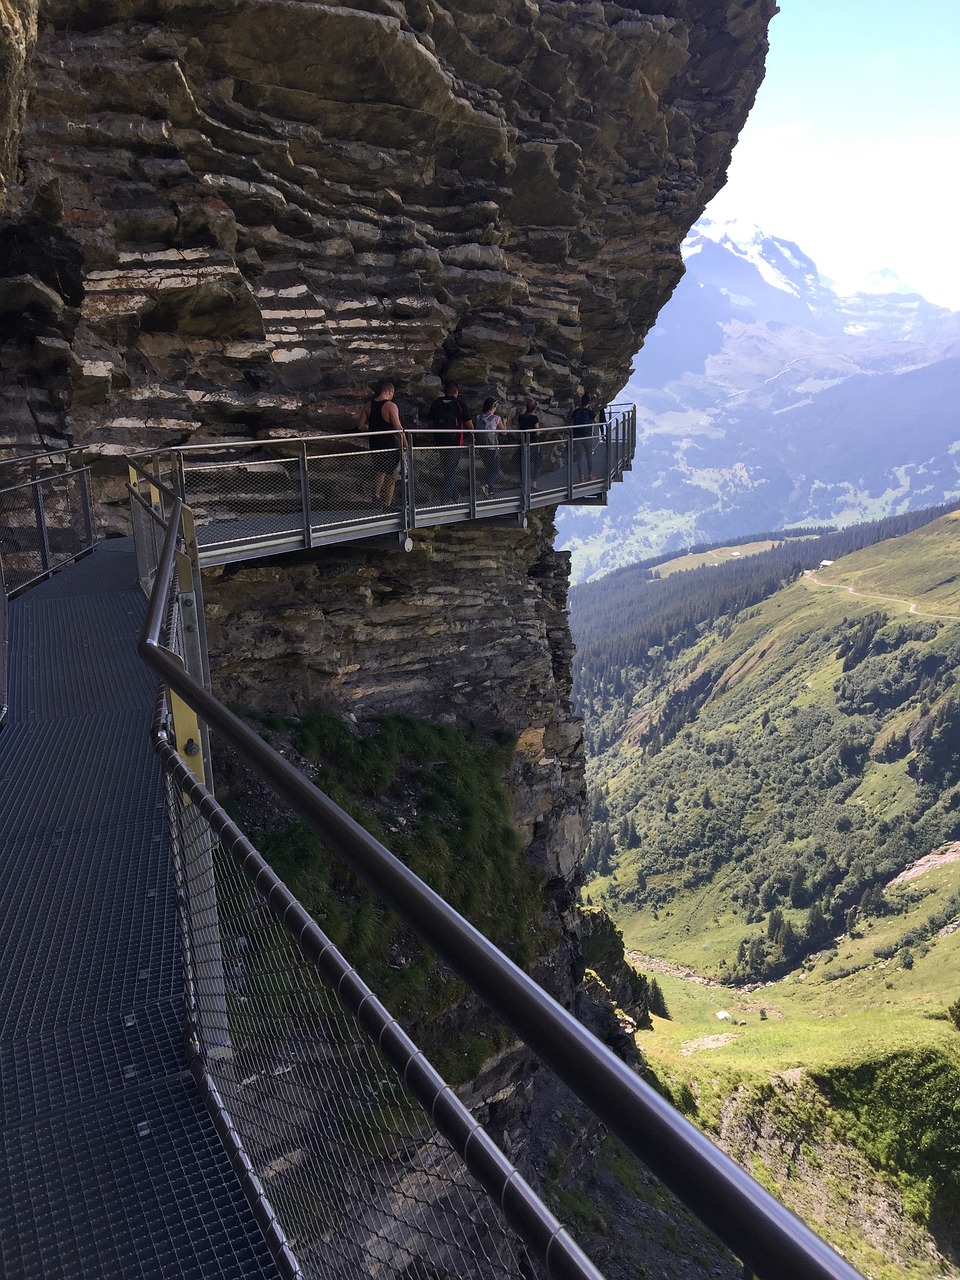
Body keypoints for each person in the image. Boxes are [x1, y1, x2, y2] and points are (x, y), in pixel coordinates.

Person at [357, 381, 407, 508]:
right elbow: (398, 427)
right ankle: (387, 504)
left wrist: (373, 430)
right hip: (389, 443)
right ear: (389, 391)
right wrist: (406, 443)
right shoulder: (390, 406)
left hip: (374, 442)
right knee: (392, 474)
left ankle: (376, 496)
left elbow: (360, 426)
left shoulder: (368, 405)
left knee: (379, 469)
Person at [428, 380, 473, 501]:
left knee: (447, 470)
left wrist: (433, 438)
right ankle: (445, 499)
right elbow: (469, 424)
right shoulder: (459, 403)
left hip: (440, 440)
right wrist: (472, 434)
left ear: (444, 391)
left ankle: (455, 495)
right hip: (455, 441)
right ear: (456, 391)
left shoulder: (436, 403)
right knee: (452, 471)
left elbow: (431, 422)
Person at [475, 396, 506, 493]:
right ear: (493, 406)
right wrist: (504, 423)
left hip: (482, 447)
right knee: (495, 471)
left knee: (488, 470)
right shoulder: (496, 418)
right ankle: (486, 486)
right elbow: (504, 432)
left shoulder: (478, 417)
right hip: (492, 448)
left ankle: (490, 492)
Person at [570, 393, 605, 482]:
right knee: (589, 456)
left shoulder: (576, 411)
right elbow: (596, 422)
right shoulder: (590, 412)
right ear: (588, 403)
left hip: (577, 437)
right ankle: (590, 475)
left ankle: (581, 477)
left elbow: (572, 419)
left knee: (579, 457)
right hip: (588, 436)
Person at [517, 397, 541, 489]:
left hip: (523, 442)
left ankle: (523, 482)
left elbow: (518, 428)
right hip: (533, 442)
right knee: (537, 462)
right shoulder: (534, 418)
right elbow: (537, 432)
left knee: (524, 462)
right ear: (534, 409)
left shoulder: (520, 417)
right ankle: (533, 483)